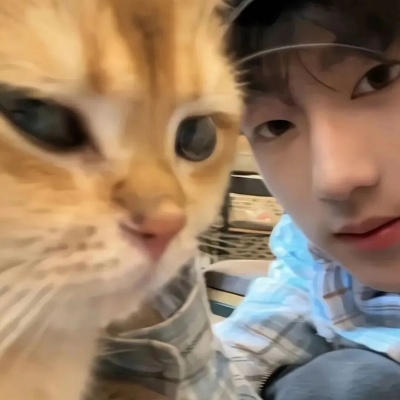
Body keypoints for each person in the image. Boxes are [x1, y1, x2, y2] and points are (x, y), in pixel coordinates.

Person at [97, 1, 400, 399]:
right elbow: (238, 362)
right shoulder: (313, 259)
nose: (335, 178)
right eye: (275, 126)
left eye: (379, 78)